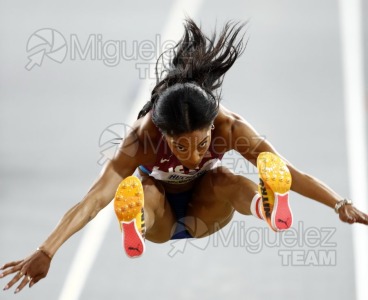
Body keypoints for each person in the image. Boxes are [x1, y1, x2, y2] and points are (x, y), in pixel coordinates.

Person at [1, 18, 367, 294]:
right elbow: (94, 199)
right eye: (181, 146)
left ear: (213, 126)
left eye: (201, 142)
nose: (193, 156)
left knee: (227, 178)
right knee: (144, 191)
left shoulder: (230, 127)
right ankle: (134, 221)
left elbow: (289, 169)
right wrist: (47, 250)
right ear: (164, 134)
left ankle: (268, 208)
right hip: (160, 220)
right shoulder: (142, 139)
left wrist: (339, 204)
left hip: (208, 211)